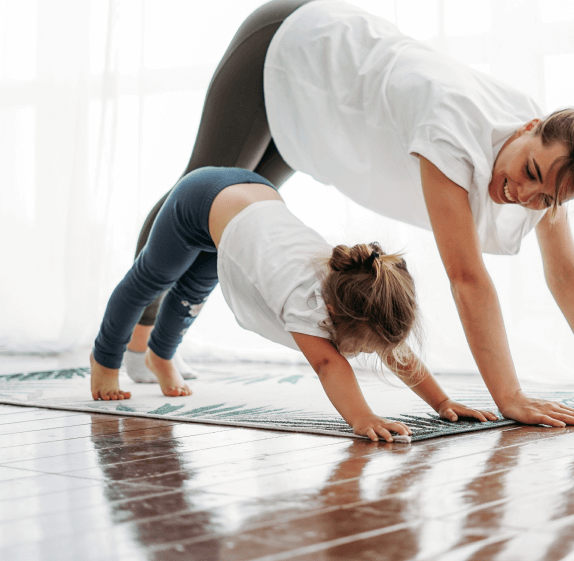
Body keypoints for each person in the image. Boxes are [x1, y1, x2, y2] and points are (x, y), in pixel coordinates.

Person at [126, 0, 574, 427]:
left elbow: (565, 272)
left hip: (320, 110)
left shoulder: (561, 159)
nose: (525, 196)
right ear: (527, 128)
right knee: (199, 191)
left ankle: (155, 344)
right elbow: (468, 278)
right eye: (531, 175)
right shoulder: (452, 131)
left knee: (234, 209)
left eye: (547, 200)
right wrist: (508, 397)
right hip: (290, 45)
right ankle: (135, 341)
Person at [91, 166, 523, 442]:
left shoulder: (357, 290)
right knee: (152, 279)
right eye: (364, 347)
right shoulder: (305, 301)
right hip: (200, 198)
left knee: (191, 295)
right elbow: (329, 365)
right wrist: (362, 418)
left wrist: (442, 402)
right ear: (334, 315)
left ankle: (161, 356)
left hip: (251, 201)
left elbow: (396, 350)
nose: (369, 354)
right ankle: (104, 359)